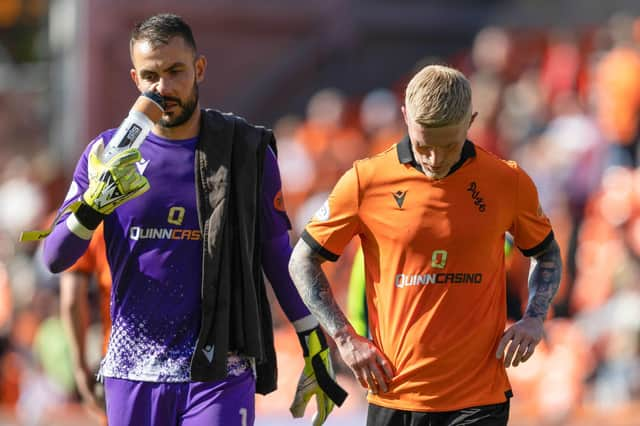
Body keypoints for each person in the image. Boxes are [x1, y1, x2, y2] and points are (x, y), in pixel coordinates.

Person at [40, 13, 345, 426]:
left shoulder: (244, 151)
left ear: (199, 68)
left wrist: (314, 339)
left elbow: (276, 256)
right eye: (150, 75)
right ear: (134, 78)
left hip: (220, 368)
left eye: (175, 71)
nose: (162, 88)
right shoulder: (105, 154)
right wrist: (95, 203)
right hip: (133, 371)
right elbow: (55, 257)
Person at [288, 64, 562, 426]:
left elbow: (547, 254)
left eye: (448, 145)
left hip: (478, 398)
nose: (434, 159)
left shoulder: (506, 181)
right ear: (405, 116)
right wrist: (345, 338)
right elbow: (302, 261)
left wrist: (534, 318)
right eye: (423, 146)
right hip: (394, 393)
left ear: (471, 121)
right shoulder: (366, 181)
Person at [59, 223, 110, 424]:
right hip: (192, 361)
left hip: (123, 362)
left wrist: (80, 367)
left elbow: (71, 300)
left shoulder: (96, 216)